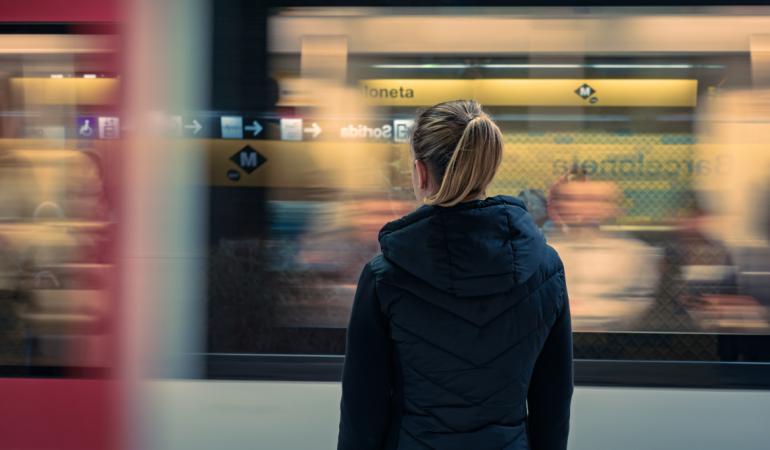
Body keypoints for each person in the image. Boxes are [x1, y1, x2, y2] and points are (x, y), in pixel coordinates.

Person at [337, 100, 573, 450]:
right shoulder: (545, 269)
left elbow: (363, 410)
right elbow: (553, 403)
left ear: (420, 172)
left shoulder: (384, 276)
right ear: (488, 170)